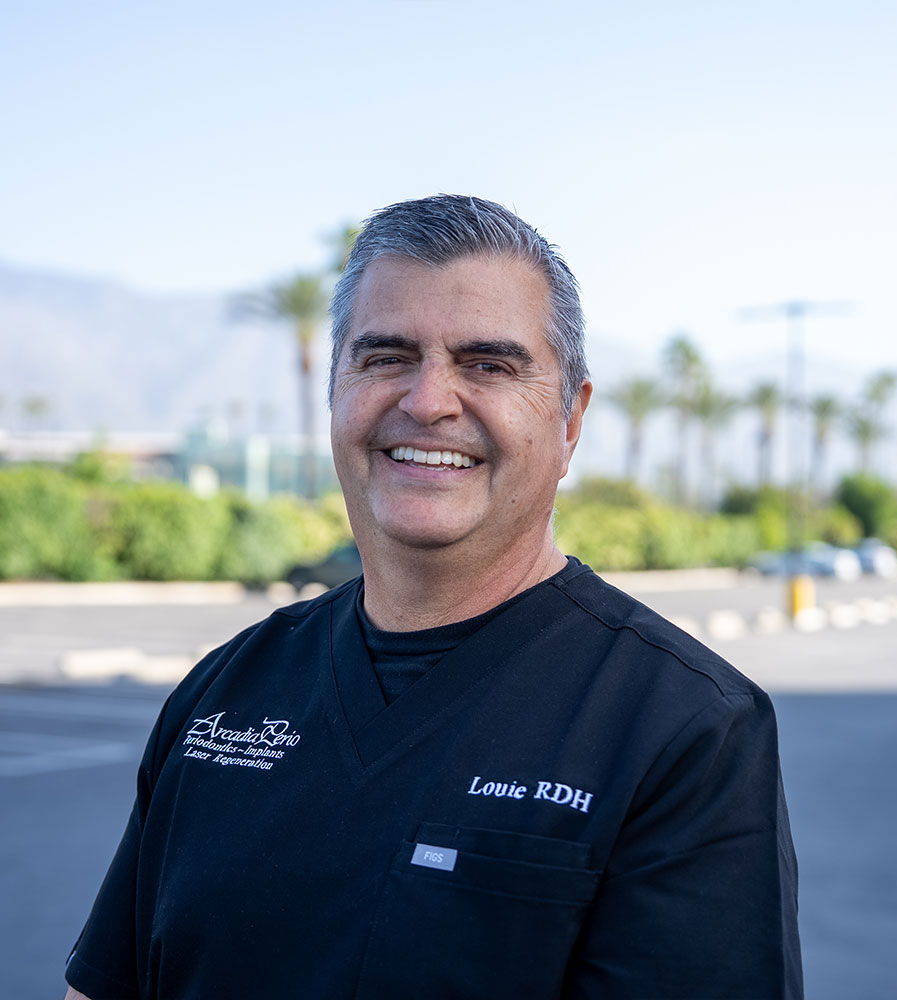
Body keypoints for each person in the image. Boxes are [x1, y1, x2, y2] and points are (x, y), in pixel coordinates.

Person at [66, 194, 802, 999]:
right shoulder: (221, 695)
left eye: (488, 364)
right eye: (385, 357)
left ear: (570, 421)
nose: (428, 401)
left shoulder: (684, 729)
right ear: (335, 391)